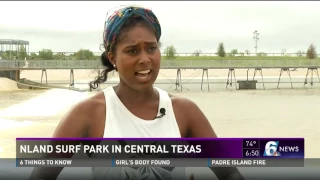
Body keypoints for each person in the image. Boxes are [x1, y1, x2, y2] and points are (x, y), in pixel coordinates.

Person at [29, 6, 245, 180]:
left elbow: (230, 172)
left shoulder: (184, 112)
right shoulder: (89, 114)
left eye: (151, 48)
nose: (145, 59)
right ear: (113, 57)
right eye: (132, 51)